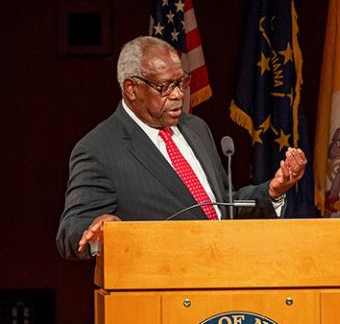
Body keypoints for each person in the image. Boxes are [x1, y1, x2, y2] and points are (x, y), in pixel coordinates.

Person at [56, 36, 307, 259]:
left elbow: (220, 208)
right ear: (131, 88)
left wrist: (272, 191)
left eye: (181, 83)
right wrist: (101, 229)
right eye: (165, 87)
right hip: (161, 291)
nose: (178, 95)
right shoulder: (98, 149)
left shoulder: (195, 128)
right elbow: (70, 230)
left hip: (226, 277)